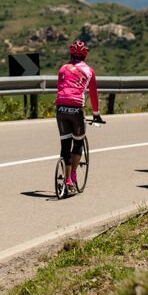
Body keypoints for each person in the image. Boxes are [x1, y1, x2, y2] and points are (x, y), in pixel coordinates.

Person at [55, 40, 103, 191]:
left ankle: (66, 178)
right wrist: (96, 114)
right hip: (76, 109)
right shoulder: (89, 71)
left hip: (61, 108)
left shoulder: (63, 68)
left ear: (70, 53)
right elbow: (94, 95)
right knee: (77, 143)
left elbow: (61, 89)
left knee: (65, 146)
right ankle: (72, 175)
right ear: (85, 55)